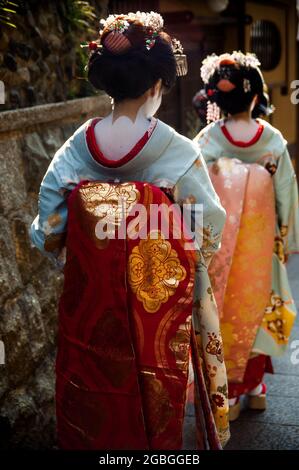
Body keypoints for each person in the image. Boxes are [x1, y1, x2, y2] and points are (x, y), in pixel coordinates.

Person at [30, 12, 230, 449]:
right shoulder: (175, 150)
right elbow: (208, 222)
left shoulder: (77, 146)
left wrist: (90, 254)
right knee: (158, 382)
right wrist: (179, 260)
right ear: (157, 86)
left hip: (92, 300)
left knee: (92, 382)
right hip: (159, 303)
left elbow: (48, 224)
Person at [194, 51, 299, 421]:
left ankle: (231, 394)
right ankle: (255, 388)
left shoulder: (207, 140)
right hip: (261, 243)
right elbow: (286, 190)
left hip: (221, 245)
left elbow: (193, 189)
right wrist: (287, 240)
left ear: (216, 100)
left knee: (222, 310)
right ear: (256, 97)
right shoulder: (271, 139)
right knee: (258, 305)